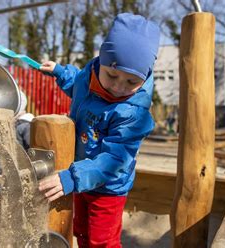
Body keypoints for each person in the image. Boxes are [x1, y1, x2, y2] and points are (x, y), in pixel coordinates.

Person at [38, 13, 159, 247]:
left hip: (107, 189)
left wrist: (72, 177)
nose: (118, 87)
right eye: (112, 75)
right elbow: (78, 84)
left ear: (144, 80)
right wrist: (60, 72)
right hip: (80, 176)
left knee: (101, 241)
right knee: (81, 231)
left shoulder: (133, 113)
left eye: (131, 82)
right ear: (101, 62)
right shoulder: (89, 76)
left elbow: (115, 159)